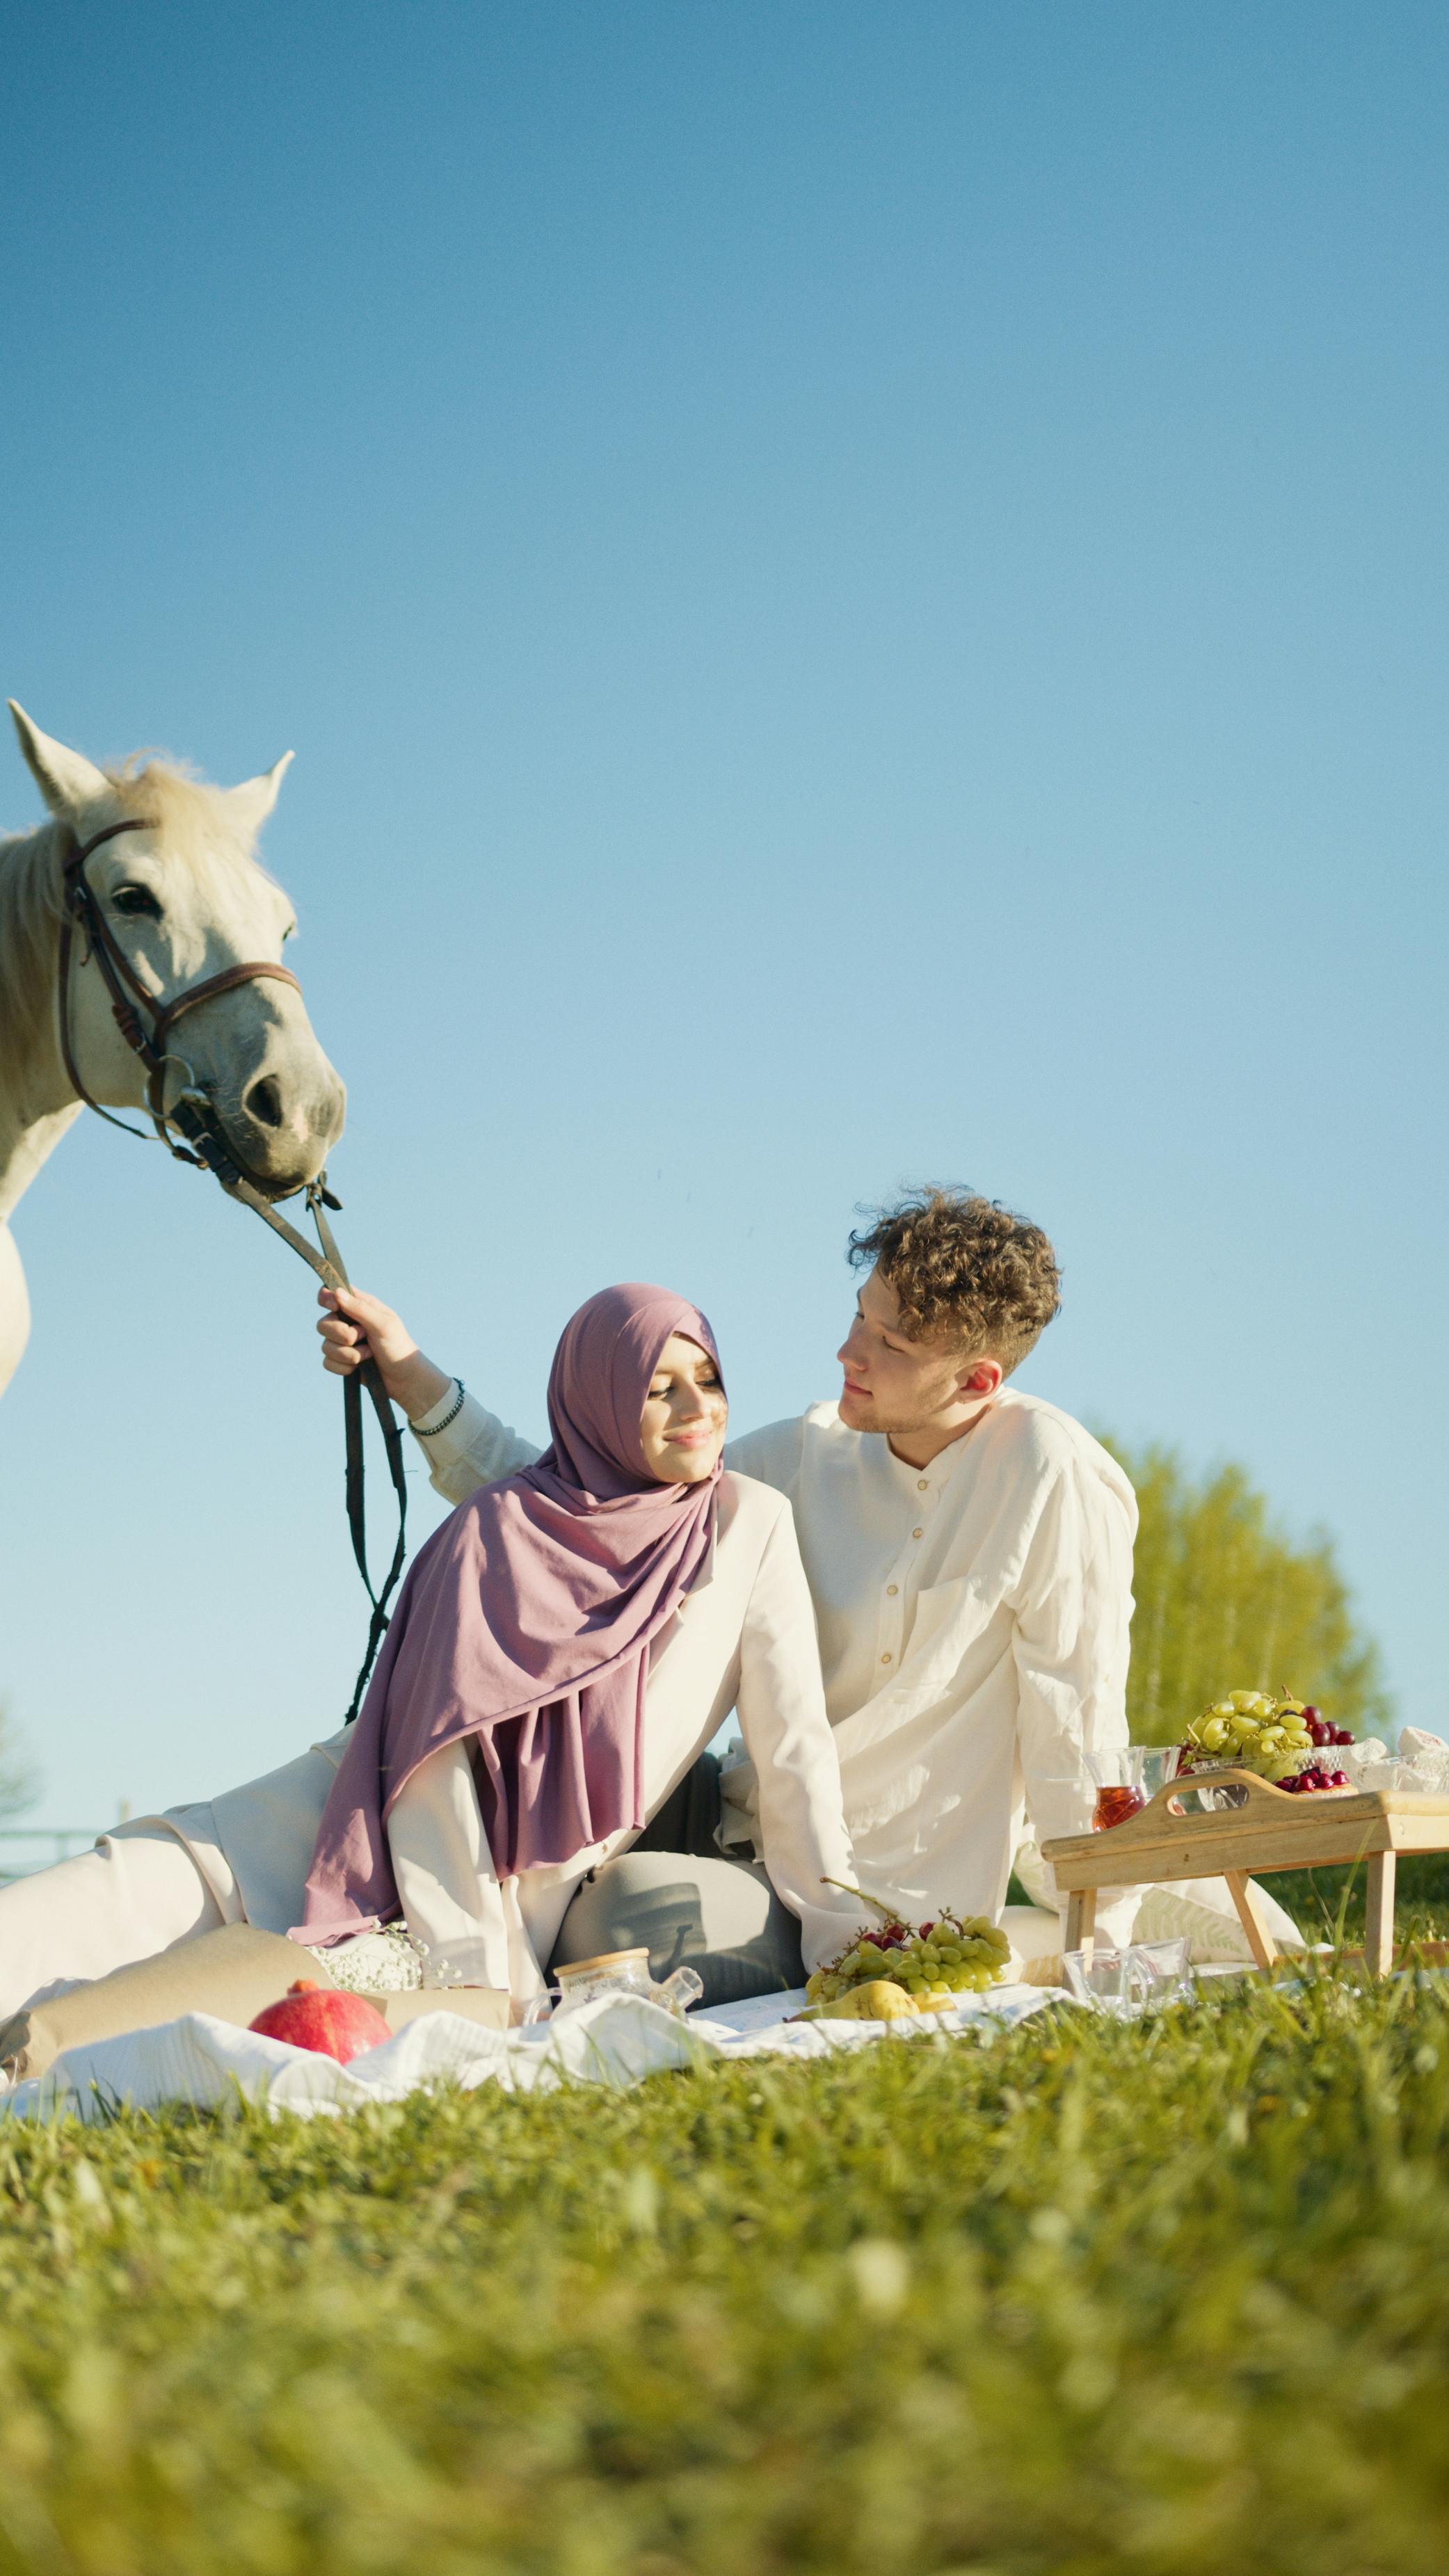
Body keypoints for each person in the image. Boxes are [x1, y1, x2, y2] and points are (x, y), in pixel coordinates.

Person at [0, 1282, 862, 2026]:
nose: (697, 1409)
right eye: (658, 1387)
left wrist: (849, 1943)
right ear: (598, 1402)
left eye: (707, 1379)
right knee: (42, 1932)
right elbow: (433, 1767)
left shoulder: (748, 1523)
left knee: (117, 2032)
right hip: (315, 1840)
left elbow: (793, 1748)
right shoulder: (501, 1529)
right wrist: (481, 1977)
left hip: (440, 1924)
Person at [317, 1188, 1144, 1949]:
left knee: (628, 1912)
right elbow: (573, 1515)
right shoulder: (793, 1458)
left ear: (977, 1379)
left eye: (888, 1343)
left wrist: (1103, 1947)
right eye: (860, 1316)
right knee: (438, 1756)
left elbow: (1078, 1725)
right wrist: (409, 1375)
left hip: (866, 1895)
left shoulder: (1050, 1474)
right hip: (711, 1813)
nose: (847, 1349)